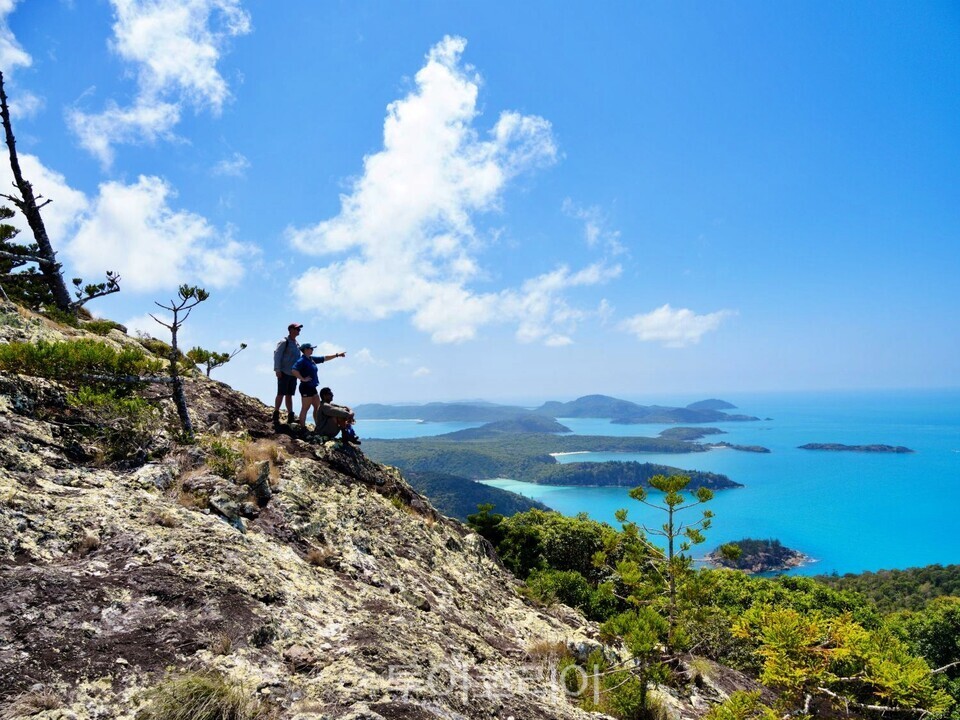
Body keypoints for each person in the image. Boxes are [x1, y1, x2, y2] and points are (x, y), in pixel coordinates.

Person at [291, 345, 348, 427]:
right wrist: (303, 379)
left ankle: (318, 426)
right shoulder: (302, 360)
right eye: (311, 348)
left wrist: (337, 355)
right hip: (305, 387)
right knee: (305, 408)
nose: (312, 349)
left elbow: (324, 358)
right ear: (306, 349)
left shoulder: (311, 359)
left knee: (317, 407)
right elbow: (294, 370)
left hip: (313, 387)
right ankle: (302, 428)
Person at [273, 322, 302, 424]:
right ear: (291, 330)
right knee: (281, 393)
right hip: (284, 372)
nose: (299, 331)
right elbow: (277, 355)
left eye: (299, 329)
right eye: (297, 329)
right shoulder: (284, 341)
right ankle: (276, 413)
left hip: (293, 373)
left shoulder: (297, 344)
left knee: (289, 395)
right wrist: (277, 369)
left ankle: (290, 415)